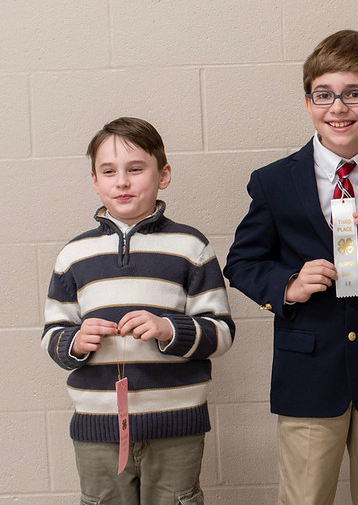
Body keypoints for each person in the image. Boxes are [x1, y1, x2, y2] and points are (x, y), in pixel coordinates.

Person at [224, 29, 358, 505]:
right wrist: (288, 285)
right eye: (324, 95)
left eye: (354, 94)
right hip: (307, 376)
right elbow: (242, 261)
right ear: (308, 102)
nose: (339, 107)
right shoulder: (274, 182)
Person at [41, 117, 235, 504]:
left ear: (163, 175)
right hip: (97, 428)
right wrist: (76, 340)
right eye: (109, 171)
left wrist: (168, 329)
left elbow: (222, 332)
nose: (122, 182)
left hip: (176, 425)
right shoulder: (73, 255)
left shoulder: (190, 247)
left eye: (135, 169)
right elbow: (52, 333)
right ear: (95, 181)